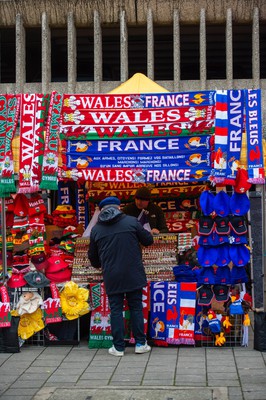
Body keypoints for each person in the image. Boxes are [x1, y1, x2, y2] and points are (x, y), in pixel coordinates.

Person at [88, 196, 154, 357]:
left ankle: (118, 347)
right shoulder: (131, 222)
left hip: (112, 275)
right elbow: (148, 240)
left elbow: (93, 258)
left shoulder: (96, 230)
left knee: (116, 310)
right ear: (119, 208)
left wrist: (102, 263)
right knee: (136, 307)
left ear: (102, 211)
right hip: (133, 272)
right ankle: (140, 343)